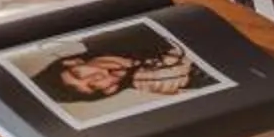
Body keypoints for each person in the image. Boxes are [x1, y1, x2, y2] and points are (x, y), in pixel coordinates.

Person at [31, 27, 195, 103]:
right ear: (110, 89)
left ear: (73, 62)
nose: (95, 77)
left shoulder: (105, 36)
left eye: (78, 74)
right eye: (93, 87)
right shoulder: (155, 88)